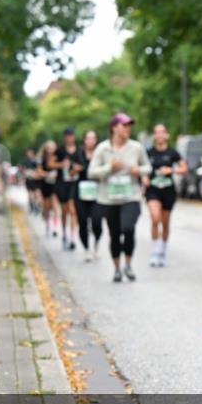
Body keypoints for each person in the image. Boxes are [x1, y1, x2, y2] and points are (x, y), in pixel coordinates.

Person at [87, 113, 150, 282]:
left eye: (129, 126)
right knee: (114, 234)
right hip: (108, 198)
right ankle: (117, 268)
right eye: (124, 125)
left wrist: (139, 171)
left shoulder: (136, 147)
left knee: (128, 229)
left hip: (131, 196)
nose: (128, 129)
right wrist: (109, 167)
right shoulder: (102, 148)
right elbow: (91, 172)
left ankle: (128, 265)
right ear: (114, 127)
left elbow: (148, 167)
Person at [144, 123, 187, 267]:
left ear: (167, 135)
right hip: (153, 190)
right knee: (155, 218)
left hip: (168, 191)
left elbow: (184, 169)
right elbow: (141, 168)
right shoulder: (148, 152)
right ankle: (154, 251)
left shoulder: (172, 152)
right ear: (154, 136)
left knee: (165, 223)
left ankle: (162, 250)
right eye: (157, 132)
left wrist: (171, 170)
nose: (159, 135)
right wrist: (143, 177)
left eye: (162, 132)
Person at [74, 130, 103, 262]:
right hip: (81, 192)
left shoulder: (101, 153)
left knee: (97, 221)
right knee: (82, 222)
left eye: (93, 138)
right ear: (84, 140)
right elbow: (69, 173)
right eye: (88, 138)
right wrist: (75, 170)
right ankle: (86, 249)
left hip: (97, 192)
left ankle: (96, 243)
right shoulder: (77, 154)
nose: (90, 141)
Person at [54, 127, 80, 251]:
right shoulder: (59, 150)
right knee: (64, 211)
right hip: (62, 183)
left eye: (71, 135)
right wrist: (61, 164)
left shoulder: (79, 150)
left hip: (75, 184)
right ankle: (64, 233)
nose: (69, 137)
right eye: (67, 135)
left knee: (72, 210)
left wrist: (77, 167)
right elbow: (50, 163)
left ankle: (73, 238)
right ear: (64, 137)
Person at [38, 139, 59, 236]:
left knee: (55, 206)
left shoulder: (58, 157)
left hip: (55, 185)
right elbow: (39, 172)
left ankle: (55, 227)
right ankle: (47, 225)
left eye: (53, 147)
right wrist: (48, 174)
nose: (51, 149)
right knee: (46, 207)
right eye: (49, 147)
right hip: (45, 185)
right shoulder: (42, 159)